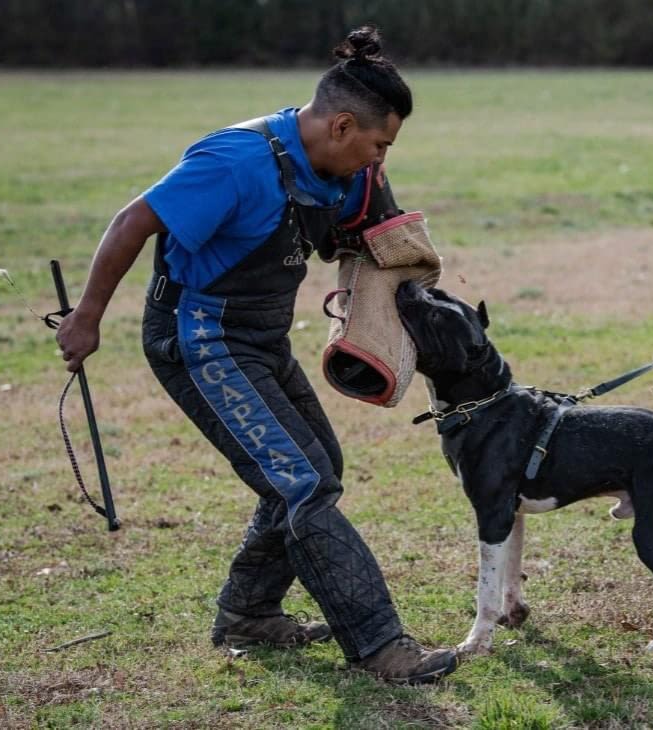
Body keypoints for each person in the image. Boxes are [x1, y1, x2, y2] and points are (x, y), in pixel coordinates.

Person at [55, 26, 458, 685]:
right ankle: (383, 647)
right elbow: (133, 222)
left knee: (317, 463)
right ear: (342, 125)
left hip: (260, 338)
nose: (379, 159)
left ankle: (247, 614)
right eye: (378, 144)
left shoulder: (340, 167)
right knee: (302, 481)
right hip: (199, 339)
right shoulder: (234, 162)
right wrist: (88, 317)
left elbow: (360, 227)